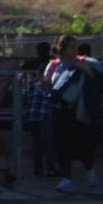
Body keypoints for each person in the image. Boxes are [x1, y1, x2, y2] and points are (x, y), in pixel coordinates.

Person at [45, 34, 103, 193]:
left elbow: (100, 84)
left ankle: (90, 170)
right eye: (72, 47)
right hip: (59, 110)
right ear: (63, 50)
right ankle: (66, 178)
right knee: (62, 144)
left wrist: (86, 70)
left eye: (76, 47)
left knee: (81, 144)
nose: (75, 50)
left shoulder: (84, 63)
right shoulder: (54, 66)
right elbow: (48, 84)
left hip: (77, 110)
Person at [24, 42, 58, 177]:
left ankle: (37, 168)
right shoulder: (51, 82)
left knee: (36, 142)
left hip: (33, 114)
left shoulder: (32, 83)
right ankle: (51, 169)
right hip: (46, 114)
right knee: (50, 142)